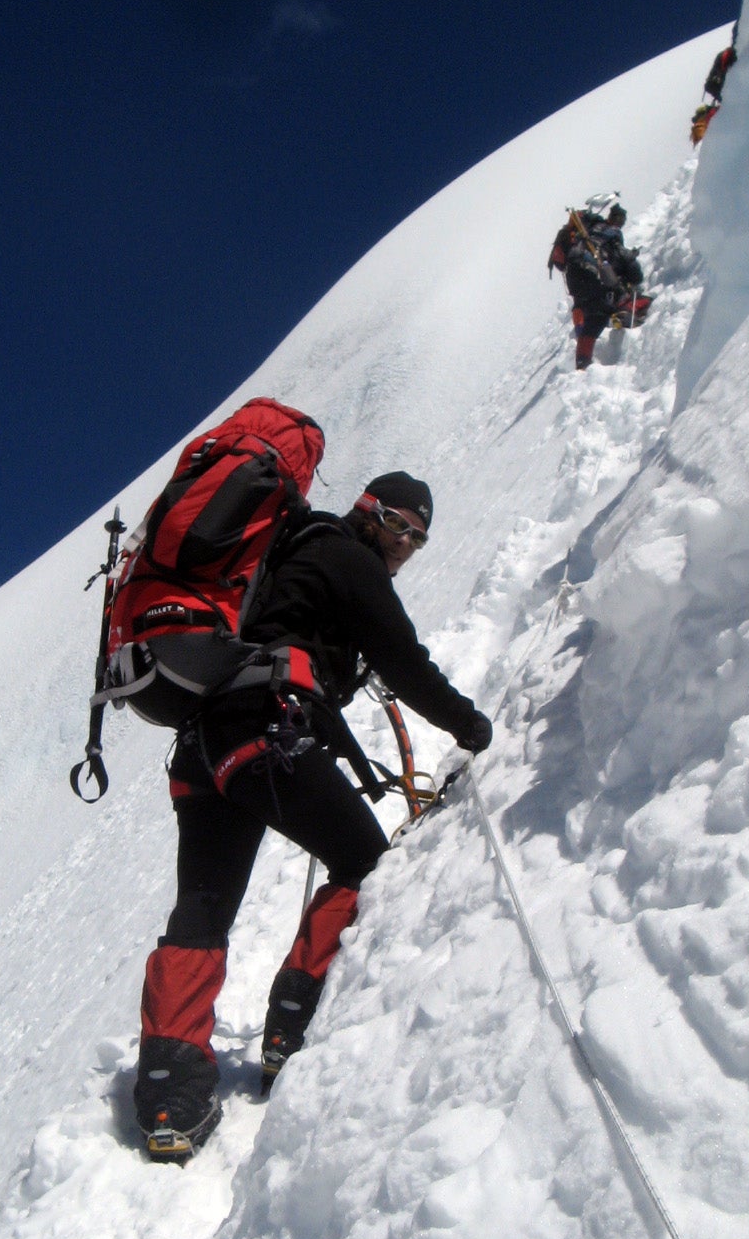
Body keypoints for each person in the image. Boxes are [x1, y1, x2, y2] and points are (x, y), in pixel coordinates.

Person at [133, 471, 492, 1158]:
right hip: (267, 733)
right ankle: (293, 1027)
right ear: (367, 511)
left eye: (417, 538)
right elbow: (405, 660)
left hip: (205, 750)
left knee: (202, 911)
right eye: (396, 524)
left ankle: (167, 1087)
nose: (404, 545)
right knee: (364, 864)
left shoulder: (282, 556)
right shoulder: (345, 556)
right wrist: (469, 726)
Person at [549, 197, 645, 369]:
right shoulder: (611, 235)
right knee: (600, 313)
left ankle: (582, 363)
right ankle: (623, 314)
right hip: (593, 274)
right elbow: (633, 270)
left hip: (574, 275)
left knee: (589, 314)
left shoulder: (588, 231)